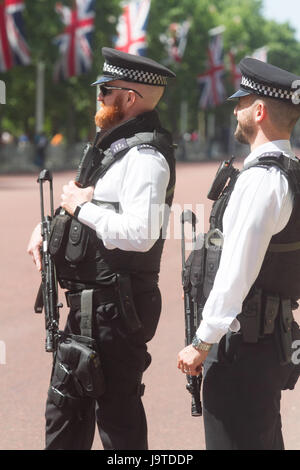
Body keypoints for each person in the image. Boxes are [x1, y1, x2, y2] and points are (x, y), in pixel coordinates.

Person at [27, 47, 176, 450]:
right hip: (88, 307)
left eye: (106, 90)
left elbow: (139, 233)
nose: (99, 97)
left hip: (117, 309)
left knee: (119, 427)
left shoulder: (145, 156)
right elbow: (89, 210)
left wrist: (81, 206)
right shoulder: (117, 149)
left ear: (129, 98)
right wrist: (47, 228)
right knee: (63, 418)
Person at [177, 57, 300, 450]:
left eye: (242, 101)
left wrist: (201, 341)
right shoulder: (290, 172)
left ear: (259, 111)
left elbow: (236, 270)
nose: (235, 109)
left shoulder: (261, 180)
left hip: (241, 345)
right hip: (268, 339)